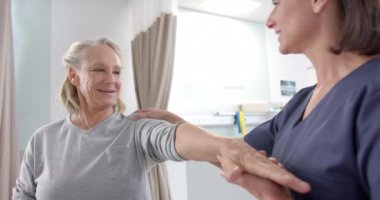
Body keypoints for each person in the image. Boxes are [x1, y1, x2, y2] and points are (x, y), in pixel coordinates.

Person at [133, 0, 380, 199]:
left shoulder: (372, 94)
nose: (270, 20)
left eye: (277, 2)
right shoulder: (300, 103)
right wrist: (175, 123)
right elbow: (239, 152)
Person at [12, 37, 310, 200]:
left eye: (117, 71)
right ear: (74, 76)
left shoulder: (135, 130)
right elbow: (24, 194)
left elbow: (173, 138)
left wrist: (222, 146)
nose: (111, 80)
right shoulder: (43, 139)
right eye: (99, 70)